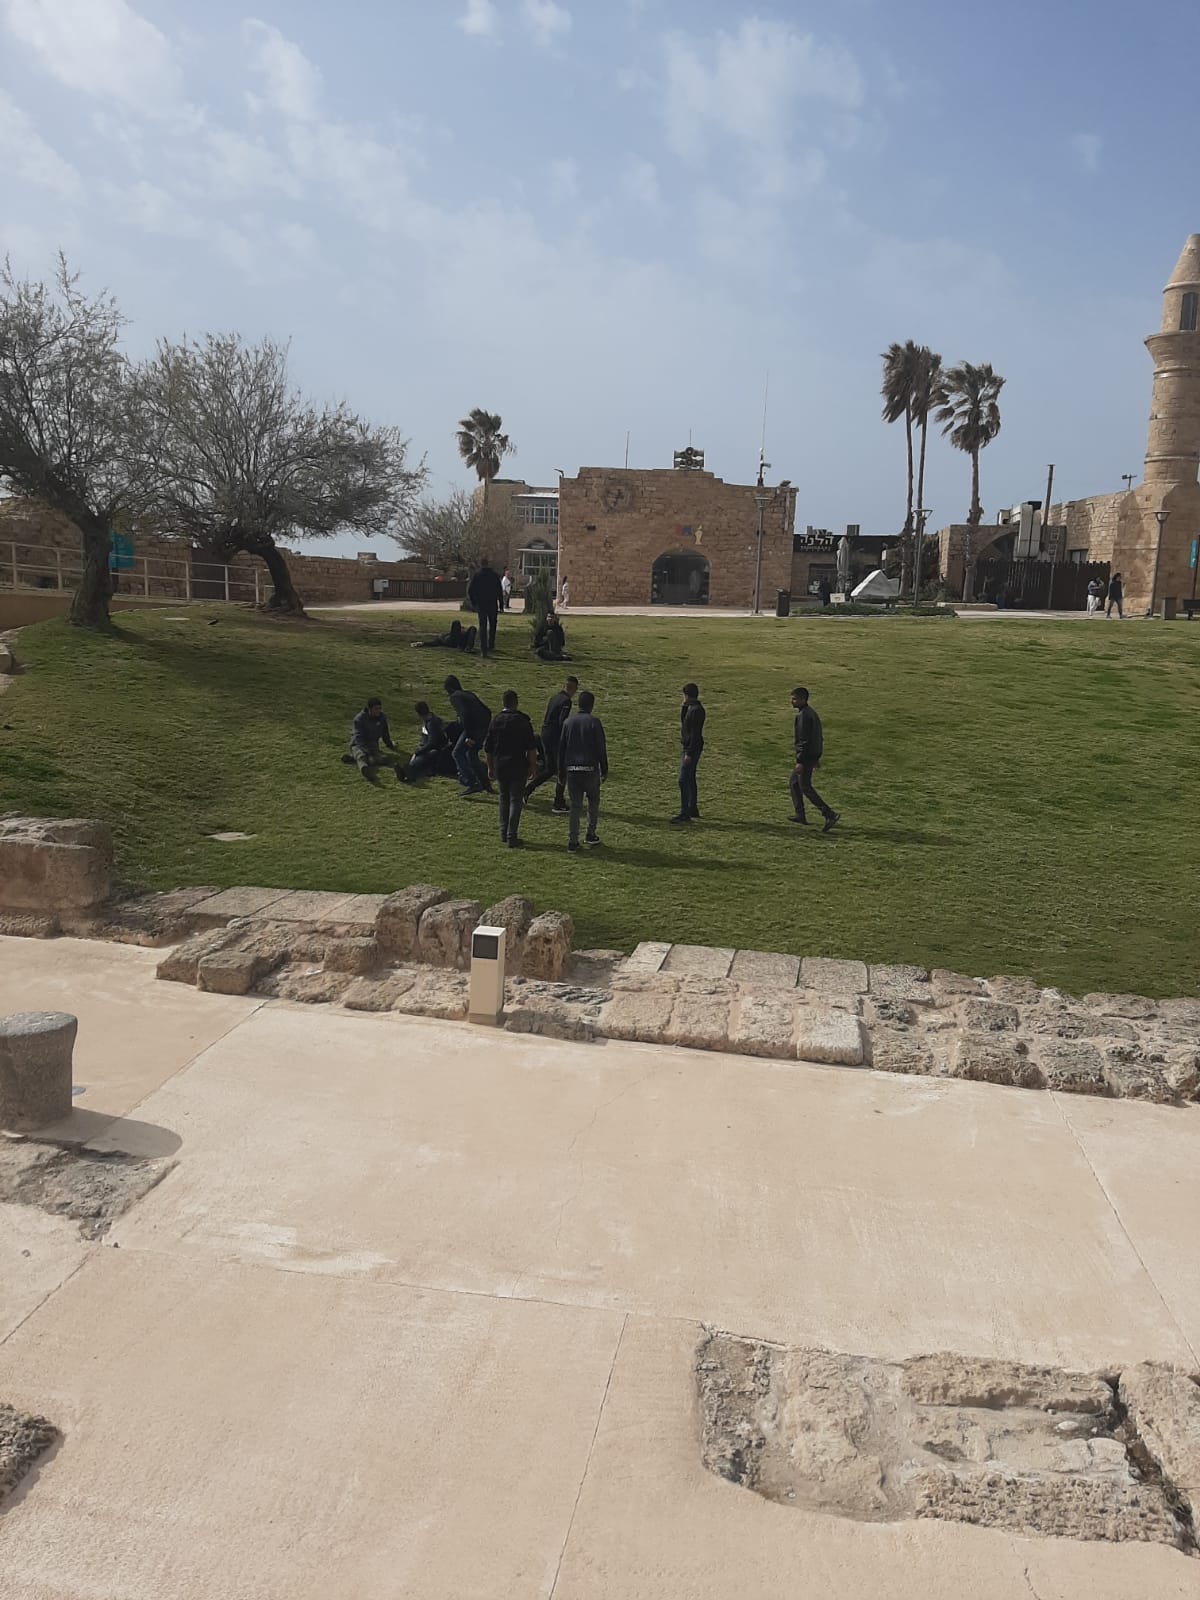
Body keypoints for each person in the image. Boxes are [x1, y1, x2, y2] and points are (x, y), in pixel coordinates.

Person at [484, 690, 538, 849]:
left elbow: (488, 748)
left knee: (503, 798)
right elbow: (531, 748)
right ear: (516, 703)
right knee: (515, 800)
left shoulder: (496, 721)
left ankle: (503, 832)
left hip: (500, 765)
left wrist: (490, 767)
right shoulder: (522, 721)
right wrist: (532, 766)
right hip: (518, 765)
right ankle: (511, 835)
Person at [558, 688, 608, 852]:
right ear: (591, 705)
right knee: (593, 801)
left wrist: (561, 771)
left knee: (575, 806)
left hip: (572, 770)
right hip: (590, 769)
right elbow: (601, 748)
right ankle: (590, 833)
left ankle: (572, 841)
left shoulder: (568, 723)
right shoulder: (594, 722)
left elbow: (562, 749)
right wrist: (604, 768)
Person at [789, 687, 838, 832]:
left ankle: (829, 814)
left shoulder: (804, 716)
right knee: (794, 783)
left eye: (794, 699)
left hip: (805, 758)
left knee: (805, 786)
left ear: (803, 699)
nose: (792, 701)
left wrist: (800, 761)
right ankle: (800, 815)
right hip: (811, 756)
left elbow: (803, 740)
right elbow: (818, 737)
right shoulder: (811, 713)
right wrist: (816, 757)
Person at [525, 676, 577, 813]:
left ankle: (527, 790)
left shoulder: (555, 698)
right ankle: (558, 802)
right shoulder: (566, 701)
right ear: (574, 689)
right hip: (555, 738)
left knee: (550, 768)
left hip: (545, 734)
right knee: (561, 770)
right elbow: (562, 721)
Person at [443, 674, 493, 796]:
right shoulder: (468, 694)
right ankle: (486, 784)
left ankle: (472, 782)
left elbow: (464, 714)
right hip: (483, 727)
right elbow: (487, 711)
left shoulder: (455, 697)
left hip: (473, 728)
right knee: (471, 755)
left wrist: (468, 736)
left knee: (457, 753)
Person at [344, 697, 405, 783]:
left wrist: (390, 744)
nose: (378, 711)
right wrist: (365, 750)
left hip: (372, 743)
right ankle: (365, 769)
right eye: (376, 709)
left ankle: (353, 758)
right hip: (358, 744)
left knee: (379, 759)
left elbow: (385, 733)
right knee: (361, 756)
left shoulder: (382, 718)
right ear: (369, 709)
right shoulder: (359, 719)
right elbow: (358, 736)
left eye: (380, 708)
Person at [671, 682, 706, 824]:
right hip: (691, 747)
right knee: (690, 777)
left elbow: (695, 734)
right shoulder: (692, 709)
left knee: (683, 780)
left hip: (691, 749)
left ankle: (685, 813)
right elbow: (684, 723)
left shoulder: (696, 711)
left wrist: (689, 754)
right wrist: (684, 707)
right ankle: (692, 808)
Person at [405, 701, 452, 782]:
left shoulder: (431, 724)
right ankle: (407, 771)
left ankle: (409, 773)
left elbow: (432, 743)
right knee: (419, 758)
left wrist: (419, 751)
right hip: (434, 747)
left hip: (436, 750)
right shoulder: (432, 719)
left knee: (420, 759)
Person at [467, 558, 503, 655]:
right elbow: (499, 590)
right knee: (493, 624)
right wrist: (501, 604)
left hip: (481, 603)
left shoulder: (477, 575)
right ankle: (491, 644)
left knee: (483, 625)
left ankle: (483, 648)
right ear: (488, 564)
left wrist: (474, 602)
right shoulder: (494, 575)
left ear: (481, 564)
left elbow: (470, 590)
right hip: (492, 603)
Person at [411, 618, 476, 651]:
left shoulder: (445, 636)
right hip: (454, 641)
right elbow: (433, 643)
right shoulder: (443, 638)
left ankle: (468, 647)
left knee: (472, 628)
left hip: (460, 639)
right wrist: (423, 643)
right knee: (456, 622)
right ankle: (468, 647)